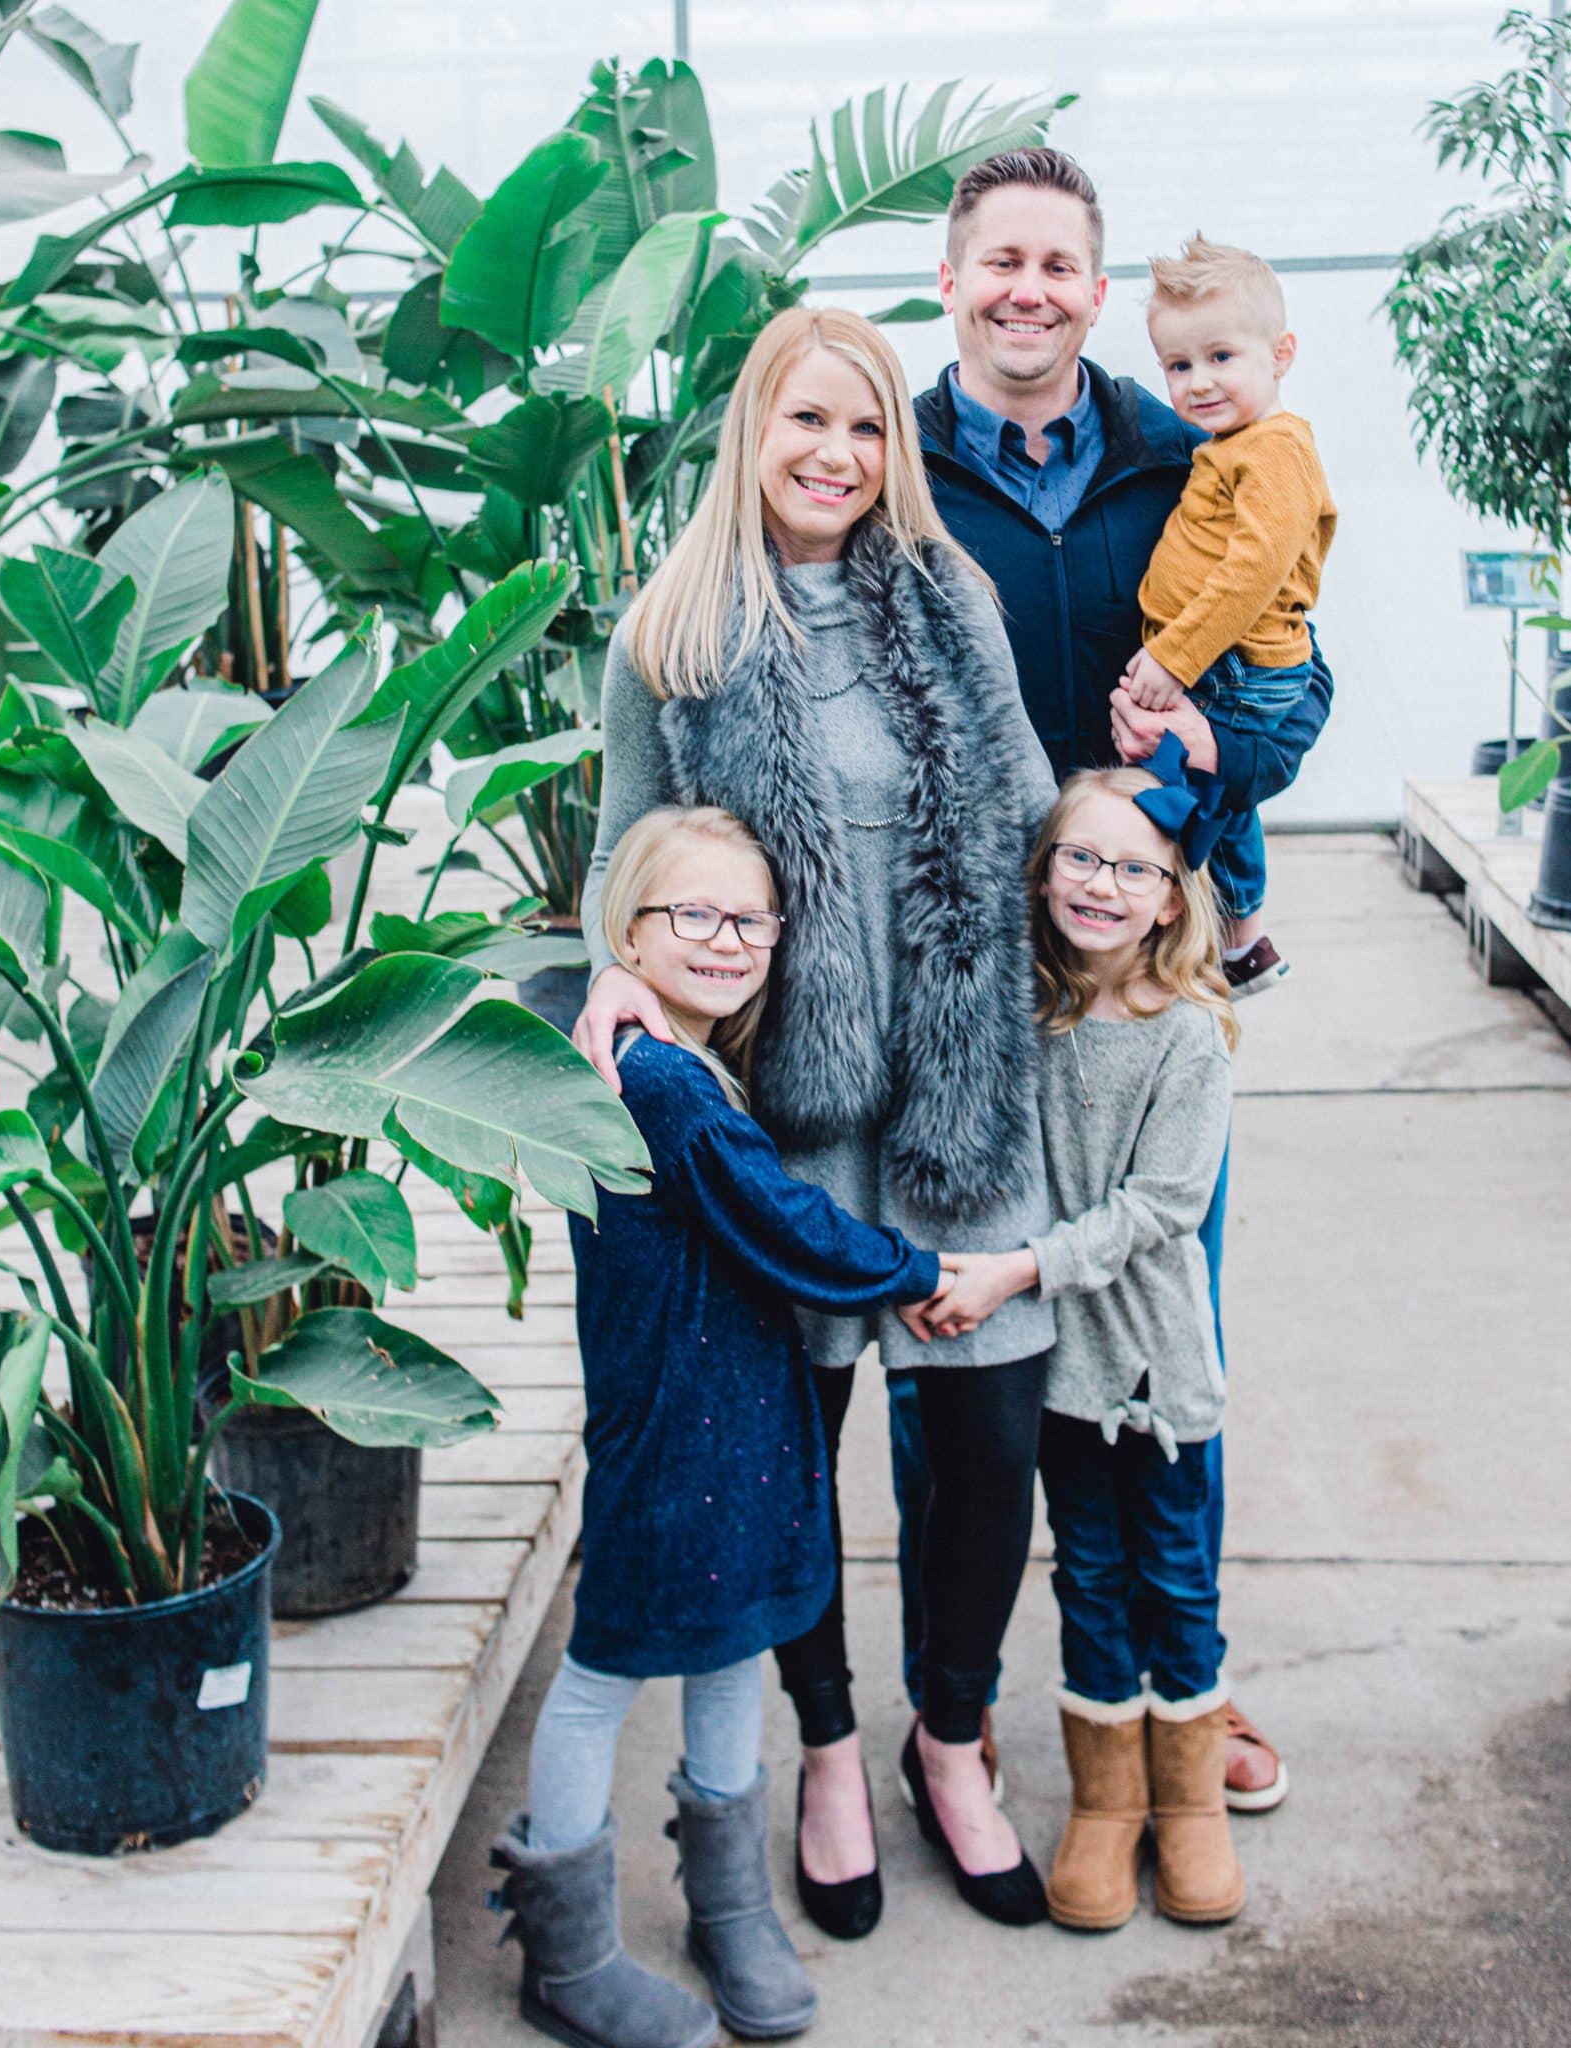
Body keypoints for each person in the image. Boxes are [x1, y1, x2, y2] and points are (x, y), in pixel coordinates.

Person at [570, 306, 1062, 1934]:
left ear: (891, 448)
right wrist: (616, 987)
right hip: (777, 1112)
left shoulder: (953, 601)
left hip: (963, 1097)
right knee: (788, 1461)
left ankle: (951, 1733)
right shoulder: (675, 632)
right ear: (751, 433)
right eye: (804, 423)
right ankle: (831, 1749)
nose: (834, 457)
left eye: (862, 428)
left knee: (985, 1446)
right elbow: (624, 852)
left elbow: (1030, 814)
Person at [896, 145, 1308, 1821]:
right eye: (998, 261)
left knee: (1156, 1337)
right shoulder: (895, 465)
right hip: (964, 996)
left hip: (1141, 1002)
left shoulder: (1180, 449)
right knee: (965, 1353)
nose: (1027, 290)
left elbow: (1290, 696)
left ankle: (1174, 1679)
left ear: (1092, 283)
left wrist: (1185, 809)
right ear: (951, 281)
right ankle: (961, 1702)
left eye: (1058, 264)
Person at [488, 806, 947, 2048]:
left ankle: (728, 1900)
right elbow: (784, 1224)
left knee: (734, 1639)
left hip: (734, 1416)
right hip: (671, 1427)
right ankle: (569, 1953)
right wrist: (914, 1269)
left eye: (749, 918)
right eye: (692, 913)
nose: (727, 939)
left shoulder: (680, 1057)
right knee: (605, 1670)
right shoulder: (656, 1081)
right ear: (625, 933)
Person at [923, 742, 1243, 1929]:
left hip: (1155, 1371)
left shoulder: (1189, 1032)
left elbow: (1162, 1209)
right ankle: (1107, 1807)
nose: (1102, 885)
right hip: (1059, 1376)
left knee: (1174, 1574)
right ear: (1042, 866)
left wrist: (1020, 1267)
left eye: (1135, 867)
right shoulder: (1029, 1011)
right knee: (1090, 1575)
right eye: (1080, 858)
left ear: (1172, 894)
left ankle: (1189, 1803)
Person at [1122, 234, 1338, 996]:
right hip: (1225, 659)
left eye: (1221, 358)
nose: (1198, 382)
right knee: (1216, 793)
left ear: (1280, 353)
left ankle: (1221, 928)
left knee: (1193, 790)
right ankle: (1237, 933)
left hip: (1234, 665)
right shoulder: (1232, 443)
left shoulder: (1274, 450)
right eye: (1178, 366)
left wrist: (1174, 657)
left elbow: (1251, 573)